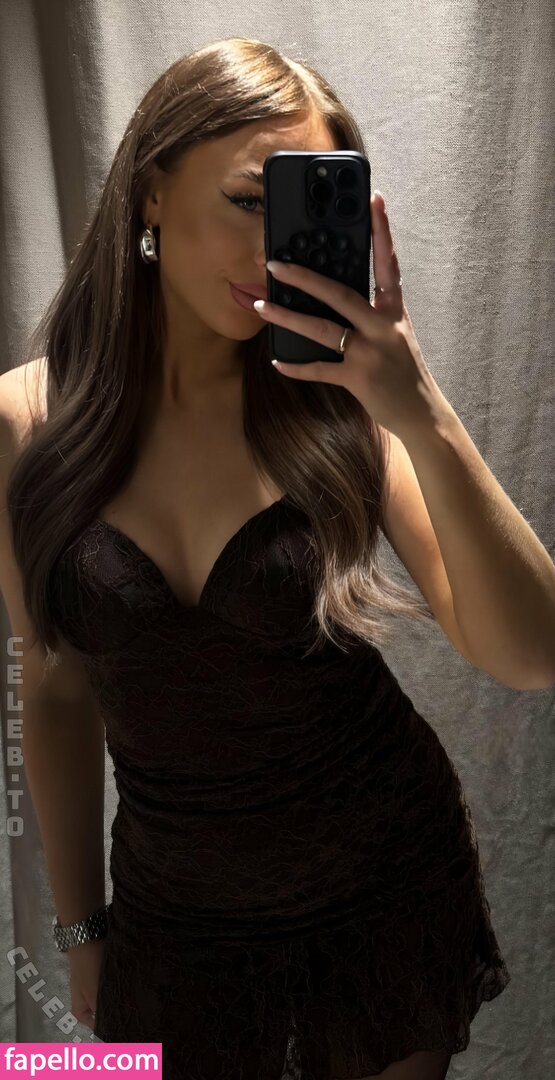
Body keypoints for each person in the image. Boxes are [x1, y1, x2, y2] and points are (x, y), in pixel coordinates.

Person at [11, 33, 555, 1079]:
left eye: (298, 211)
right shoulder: (23, 424)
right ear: (152, 190)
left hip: (381, 887)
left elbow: (531, 654)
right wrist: (80, 932)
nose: (272, 249)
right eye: (247, 201)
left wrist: (422, 411)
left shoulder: (343, 404)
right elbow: (55, 686)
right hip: (176, 920)